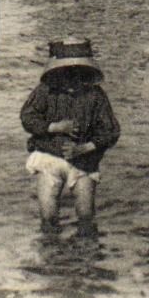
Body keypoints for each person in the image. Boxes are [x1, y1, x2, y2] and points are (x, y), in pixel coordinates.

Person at [21, 38, 119, 233]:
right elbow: (27, 118)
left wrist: (88, 146)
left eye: (79, 74)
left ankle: (84, 257)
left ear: (88, 73)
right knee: (48, 218)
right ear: (55, 72)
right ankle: (53, 257)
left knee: (86, 216)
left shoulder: (95, 95)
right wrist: (53, 127)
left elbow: (111, 131)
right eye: (66, 73)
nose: (73, 79)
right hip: (48, 157)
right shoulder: (45, 92)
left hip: (84, 161)